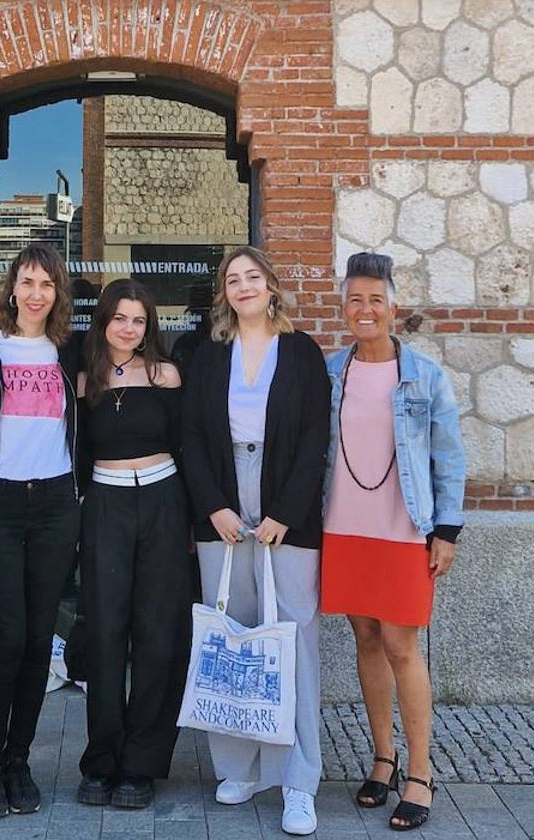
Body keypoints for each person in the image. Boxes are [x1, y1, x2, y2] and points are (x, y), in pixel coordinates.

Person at [181, 245, 330, 836]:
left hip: (285, 506)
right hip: (221, 500)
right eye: (232, 279)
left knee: (293, 640)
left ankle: (298, 782)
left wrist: (286, 514)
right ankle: (238, 769)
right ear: (224, 293)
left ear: (272, 287)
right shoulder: (210, 354)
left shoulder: (300, 352)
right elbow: (190, 433)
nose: (243, 286)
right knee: (233, 638)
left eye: (253, 276)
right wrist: (212, 505)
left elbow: (317, 435)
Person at [321, 252, 467, 832]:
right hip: (343, 527)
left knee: (403, 645)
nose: (365, 309)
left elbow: (448, 456)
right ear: (344, 306)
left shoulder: (425, 376)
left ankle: (421, 772)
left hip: (403, 529)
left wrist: (447, 530)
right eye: (355, 299)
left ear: (392, 308)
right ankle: (382, 759)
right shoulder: (332, 370)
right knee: (364, 637)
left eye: (375, 300)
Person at [0, 243, 82, 820]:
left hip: (55, 504)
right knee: (8, 636)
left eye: (46, 285)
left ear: (57, 295)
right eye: (27, 282)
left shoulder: (71, 353)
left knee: (37, 640)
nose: (35, 294)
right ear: (11, 289)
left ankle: (18, 760)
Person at [75, 279, 192, 810]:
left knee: (156, 634)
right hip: (106, 506)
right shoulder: (83, 381)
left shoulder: (168, 375)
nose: (129, 328)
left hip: (165, 505)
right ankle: (101, 760)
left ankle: (140, 765)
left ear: (150, 326)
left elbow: (189, 448)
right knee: (104, 633)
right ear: (103, 322)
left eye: (139, 320)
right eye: (119, 318)